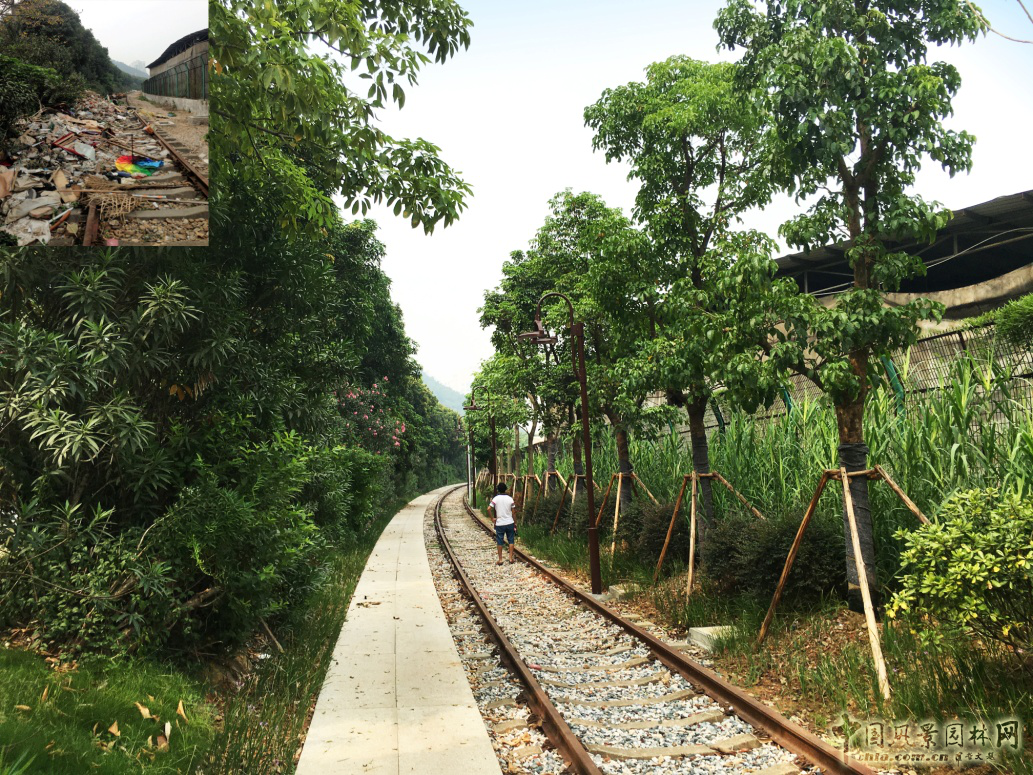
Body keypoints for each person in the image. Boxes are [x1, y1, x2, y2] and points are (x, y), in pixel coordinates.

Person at [488, 482, 517, 565]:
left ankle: (500, 559)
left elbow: (488, 509)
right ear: (505, 489)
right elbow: (514, 512)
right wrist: (515, 522)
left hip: (500, 523)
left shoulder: (496, 499)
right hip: (510, 522)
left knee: (500, 541)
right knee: (511, 540)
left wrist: (492, 519)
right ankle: (510, 558)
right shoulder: (510, 499)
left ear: (498, 490)